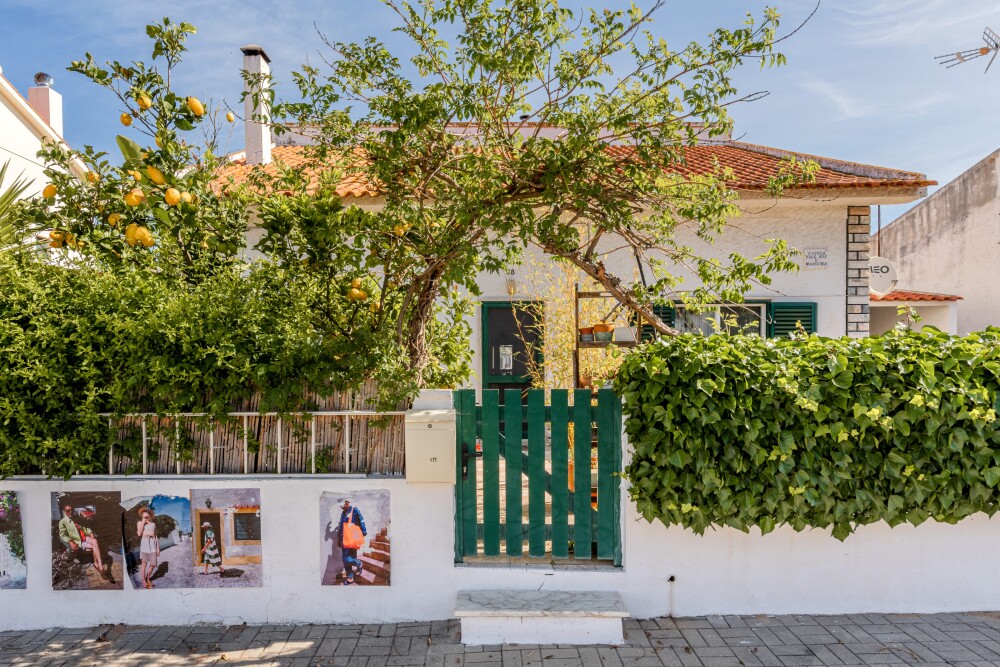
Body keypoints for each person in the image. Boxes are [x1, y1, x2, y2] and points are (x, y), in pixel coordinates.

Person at [58, 503, 111, 580]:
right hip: (78, 541)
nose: (70, 512)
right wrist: (70, 541)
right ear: (64, 511)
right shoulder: (62, 522)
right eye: (68, 510)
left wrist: (91, 533)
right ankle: (97, 564)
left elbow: (86, 528)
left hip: (85, 538)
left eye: (71, 510)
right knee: (95, 546)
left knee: (94, 541)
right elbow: (62, 535)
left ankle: (100, 566)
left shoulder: (77, 518)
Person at [338, 499, 366, 585]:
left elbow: (361, 521)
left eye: (343, 504)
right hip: (344, 540)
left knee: (348, 558)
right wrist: (339, 538)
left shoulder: (354, 510)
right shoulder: (343, 513)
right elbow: (341, 526)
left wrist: (363, 532)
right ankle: (350, 578)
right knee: (345, 559)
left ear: (347, 502)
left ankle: (359, 563)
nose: (342, 506)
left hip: (352, 539)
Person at [136, 507, 159, 589]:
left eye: (146, 512)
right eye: (143, 513)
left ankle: (147, 578)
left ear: (149, 514)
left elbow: (155, 536)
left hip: (152, 544)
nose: (144, 513)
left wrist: (158, 548)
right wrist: (143, 520)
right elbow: (139, 533)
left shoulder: (153, 524)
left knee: (153, 564)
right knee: (144, 564)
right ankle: (143, 580)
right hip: (145, 544)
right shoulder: (140, 523)